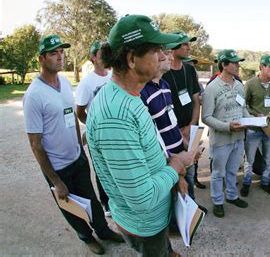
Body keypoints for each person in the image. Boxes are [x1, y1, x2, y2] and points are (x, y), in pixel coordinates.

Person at [86, 15, 194, 256]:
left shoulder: (130, 95)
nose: (163, 56)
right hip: (145, 223)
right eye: (155, 50)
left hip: (154, 214)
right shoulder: (116, 116)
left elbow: (148, 150)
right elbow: (142, 198)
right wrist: (175, 165)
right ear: (132, 59)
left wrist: (171, 174)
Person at [23, 34, 123, 255]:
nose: (60, 57)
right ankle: (86, 237)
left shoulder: (66, 84)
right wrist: (55, 181)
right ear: (41, 59)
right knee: (70, 206)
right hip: (57, 167)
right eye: (53, 53)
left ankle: (103, 230)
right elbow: (35, 144)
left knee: (92, 201)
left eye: (61, 52)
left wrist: (80, 149)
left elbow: (73, 119)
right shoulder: (33, 96)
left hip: (77, 157)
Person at [139, 43, 207, 213]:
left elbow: (171, 126)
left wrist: (188, 146)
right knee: (173, 200)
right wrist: (174, 163)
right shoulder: (142, 94)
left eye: (168, 52)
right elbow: (152, 140)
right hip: (168, 162)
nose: (168, 57)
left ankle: (191, 212)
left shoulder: (164, 87)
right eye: (163, 53)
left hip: (181, 154)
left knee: (187, 190)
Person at [202, 49, 250, 218]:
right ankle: (217, 201)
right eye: (234, 62)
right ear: (224, 65)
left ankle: (232, 196)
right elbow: (206, 117)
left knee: (232, 171)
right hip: (222, 139)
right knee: (218, 173)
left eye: (238, 62)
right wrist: (227, 127)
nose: (238, 65)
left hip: (239, 138)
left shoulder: (239, 85)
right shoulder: (212, 88)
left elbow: (243, 108)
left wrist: (251, 121)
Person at [162, 32, 201, 197]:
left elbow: (196, 100)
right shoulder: (163, 73)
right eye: (184, 44)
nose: (188, 47)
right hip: (171, 133)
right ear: (172, 47)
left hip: (190, 129)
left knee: (191, 170)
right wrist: (178, 131)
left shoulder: (190, 70)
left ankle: (192, 205)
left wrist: (192, 124)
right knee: (177, 173)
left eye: (188, 44)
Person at [75, 40, 112, 216]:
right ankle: (106, 203)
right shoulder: (86, 83)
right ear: (92, 57)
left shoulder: (113, 75)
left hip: (115, 130)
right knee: (102, 169)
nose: (104, 55)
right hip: (98, 134)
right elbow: (80, 112)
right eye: (100, 52)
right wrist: (93, 127)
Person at [241, 55, 270, 197]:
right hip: (254, 129)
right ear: (262, 67)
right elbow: (244, 104)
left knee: (268, 159)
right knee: (250, 159)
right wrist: (254, 114)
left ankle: (265, 182)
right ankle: (246, 182)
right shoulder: (250, 84)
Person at [182, 56, 206, 189]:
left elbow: (202, 97)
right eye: (189, 65)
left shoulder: (196, 82)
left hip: (195, 126)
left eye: (193, 65)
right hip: (182, 129)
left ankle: (195, 179)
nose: (193, 68)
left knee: (195, 156)